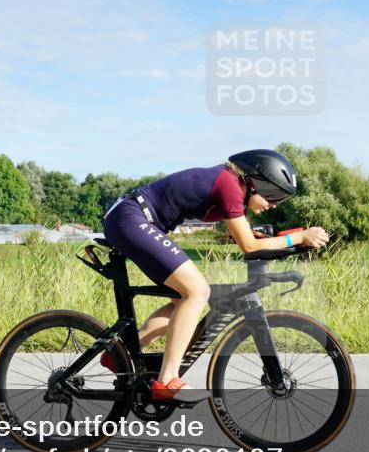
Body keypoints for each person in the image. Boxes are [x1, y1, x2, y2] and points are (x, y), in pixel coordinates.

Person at [101, 149, 329, 399]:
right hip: (133, 219)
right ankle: (166, 380)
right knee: (197, 292)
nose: (274, 204)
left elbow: (249, 237)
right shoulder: (228, 185)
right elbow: (249, 246)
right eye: (274, 195)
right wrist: (296, 237)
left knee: (182, 300)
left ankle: (119, 354)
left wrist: (292, 240)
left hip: (131, 219)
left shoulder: (230, 187)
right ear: (256, 182)